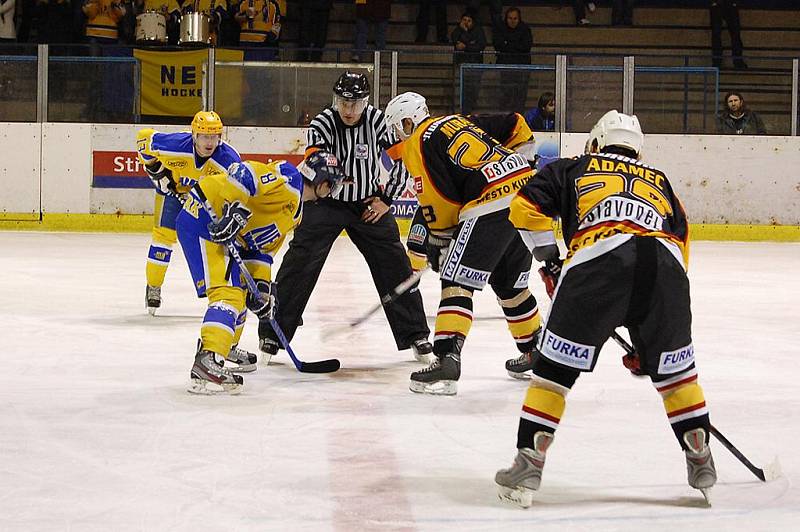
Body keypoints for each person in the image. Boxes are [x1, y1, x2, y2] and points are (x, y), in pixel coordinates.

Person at [495, 110, 716, 507]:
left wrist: (550, 263)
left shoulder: (572, 166)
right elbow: (681, 243)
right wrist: (650, 343)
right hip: (666, 268)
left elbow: (524, 209)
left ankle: (529, 461)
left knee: (552, 375)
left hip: (599, 258)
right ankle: (700, 458)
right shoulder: (660, 180)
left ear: (596, 142)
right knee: (677, 376)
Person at [258, 72, 432, 364]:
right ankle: (273, 334)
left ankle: (416, 334)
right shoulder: (321, 124)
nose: (349, 110)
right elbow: (317, 167)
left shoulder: (379, 121)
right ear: (335, 100)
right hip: (327, 204)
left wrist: (386, 200)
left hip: (367, 204)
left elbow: (404, 159)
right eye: (343, 103)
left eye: (356, 103)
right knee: (299, 262)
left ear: (365, 102)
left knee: (395, 264)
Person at [384, 92, 542, 396]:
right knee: (511, 285)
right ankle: (536, 350)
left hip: (490, 204)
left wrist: (439, 238)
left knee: (456, 280)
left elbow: (436, 196)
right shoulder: (457, 121)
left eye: (398, 128)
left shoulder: (417, 140)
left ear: (407, 121)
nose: (398, 136)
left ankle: (446, 360)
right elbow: (513, 126)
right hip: (527, 196)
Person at [176, 155, 346, 394]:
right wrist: (233, 211)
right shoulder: (288, 178)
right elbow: (242, 173)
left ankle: (223, 346)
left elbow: (262, 250)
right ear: (324, 184)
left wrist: (263, 289)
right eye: (333, 186)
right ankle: (208, 360)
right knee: (228, 294)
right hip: (204, 218)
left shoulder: (295, 214)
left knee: (244, 290)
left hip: (224, 234)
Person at [136, 111, 242, 317]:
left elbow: (239, 188)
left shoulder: (229, 159)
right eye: (205, 136)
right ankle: (154, 286)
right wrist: (157, 172)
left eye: (215, 136)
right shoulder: (176, 145)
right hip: (173, 192)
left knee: (214, 245)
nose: (210, 142)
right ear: (194, 135)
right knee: (162, 239)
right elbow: (143, 138)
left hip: (204, 202)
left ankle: (219, 291)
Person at [493, 7, 532, 113]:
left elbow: (526, 46)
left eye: (515, 18)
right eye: (510, 18)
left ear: (519, 19)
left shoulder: (525, 29)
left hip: (522, 68)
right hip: (505, 68)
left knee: (519, 95)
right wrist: (514, 45)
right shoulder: (500, 28)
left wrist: (508, 43)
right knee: (506, 93)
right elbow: (498, 45)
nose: (512, 21)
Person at [451, 11, 485, 114]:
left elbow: (480, 46)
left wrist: (466, 46)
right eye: (464, 20)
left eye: (469, 21)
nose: (466, 23)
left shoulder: (478, 31)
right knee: (463, 92)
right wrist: (464, 32)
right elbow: (456, 43)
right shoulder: (457, 31)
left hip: (475, 66)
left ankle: (471, 110)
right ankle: (464, 112)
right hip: (461, 65)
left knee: (473, 91)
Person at [710, 0, 746, 69]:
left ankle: (736, 61)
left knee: (734, 34)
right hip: (721, 5)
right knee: (717, 35)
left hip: (727, 4)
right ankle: (718, 61)